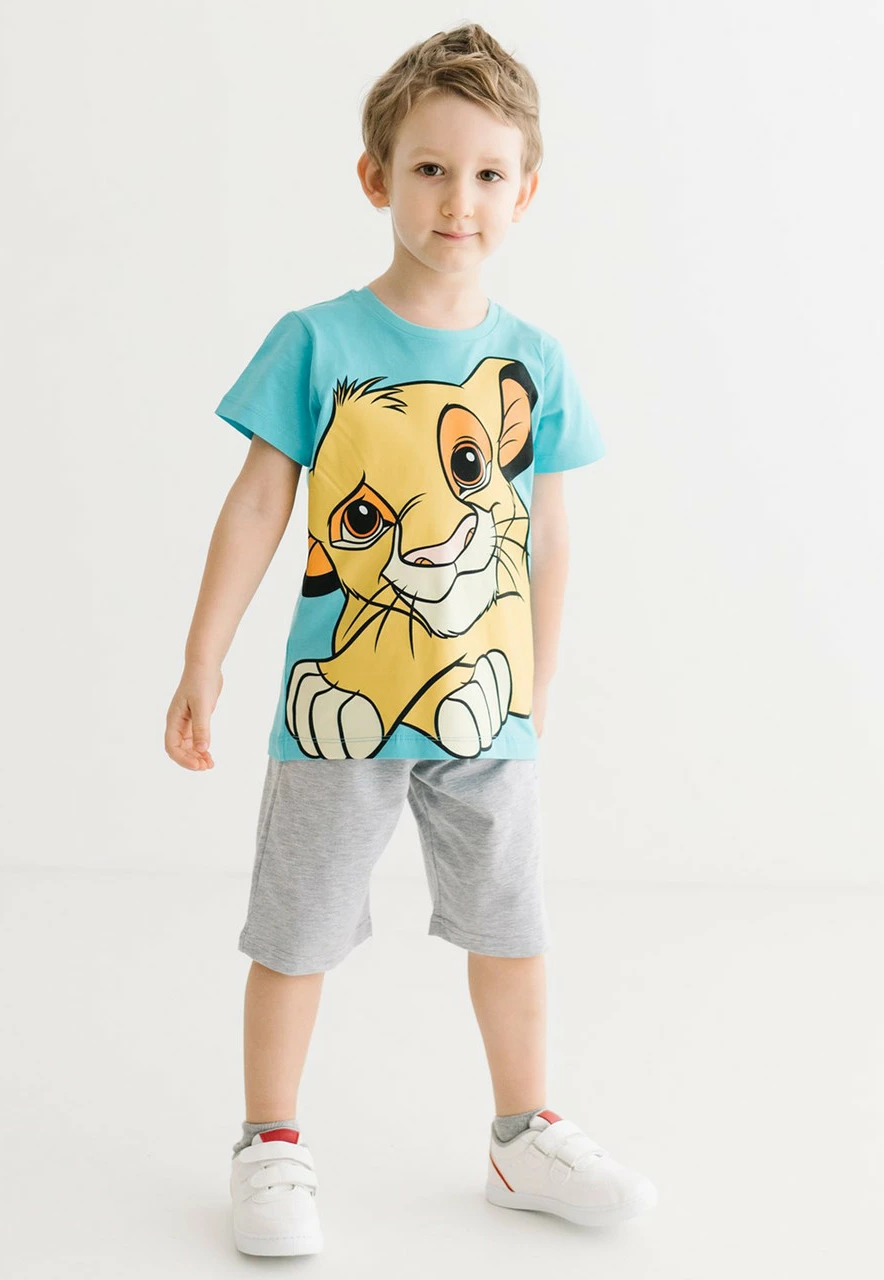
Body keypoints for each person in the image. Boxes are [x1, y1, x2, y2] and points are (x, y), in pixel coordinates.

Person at [165, 22, 658, 1258]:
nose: (458, 200)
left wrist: (537, 684)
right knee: (297, 929)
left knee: (514, 925)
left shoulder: (534, 361)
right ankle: (268, 1141)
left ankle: (523, 1133)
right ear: (375, 176)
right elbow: (258, 505)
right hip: (336, 711)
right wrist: (204, 655)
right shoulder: (316, 342)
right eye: (430, 168)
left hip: (487, 711)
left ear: (526, 191)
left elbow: (550, 539)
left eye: (488, 173)